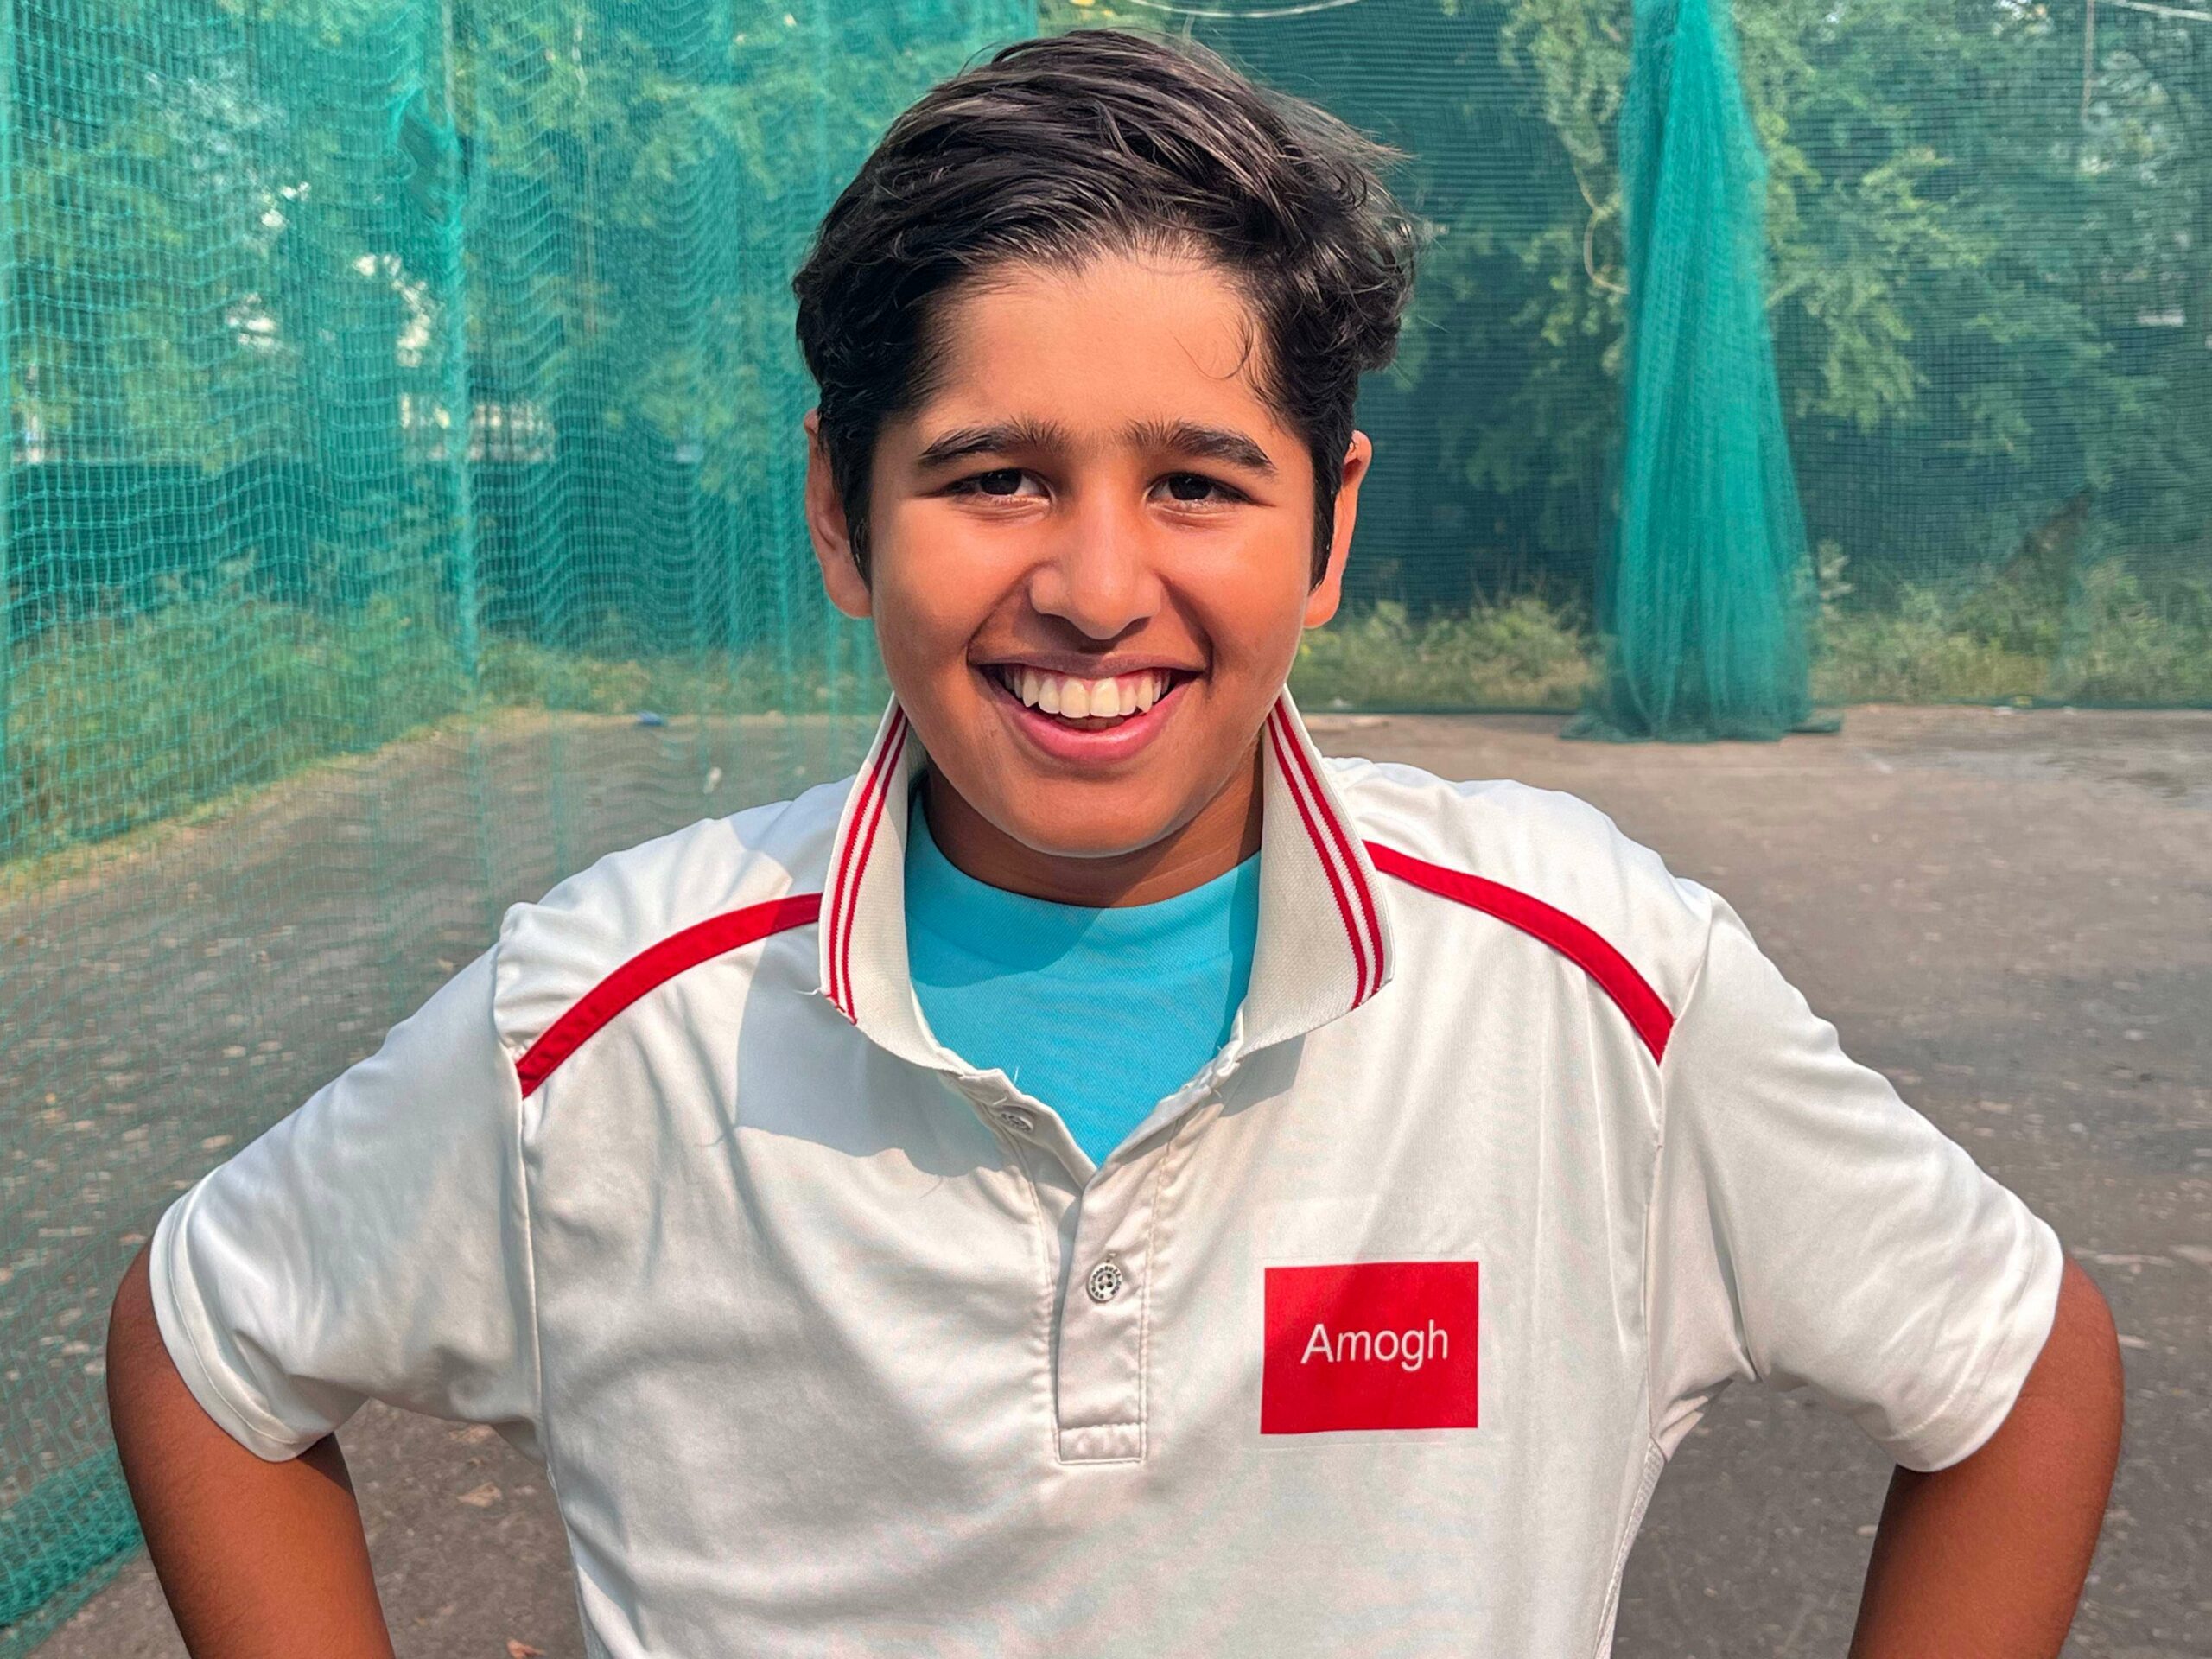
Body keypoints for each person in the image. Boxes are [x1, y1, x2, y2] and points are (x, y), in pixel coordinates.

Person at [105, 29, 2123, 1658]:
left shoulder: (1590, 985)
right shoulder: (609, 1026)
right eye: (990, 476)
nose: (1090, 587)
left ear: (1327, 527)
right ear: (838, 512)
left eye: (1195, 484)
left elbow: (2018, 1375)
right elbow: (206, 1349)